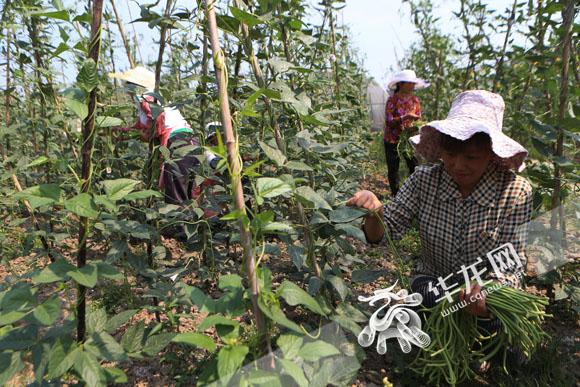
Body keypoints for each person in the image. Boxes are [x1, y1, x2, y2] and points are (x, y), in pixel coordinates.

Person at [348, 90, 532, 328]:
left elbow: (511, 261)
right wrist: (376, 212)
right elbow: (383, 235)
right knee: (428, 297)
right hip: (434, 282)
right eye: (451, 154)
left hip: (485, 288)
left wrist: (486, 293)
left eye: (472, 157)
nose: (458, 165)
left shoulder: (514, 192)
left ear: (492, 154)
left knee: (497, 322)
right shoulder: (425, 180)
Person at [110, 67, 200, 206]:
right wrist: (120, 132)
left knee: (177, 198)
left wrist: (149, 134)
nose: (126, 90)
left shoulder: (147, 98)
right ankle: (191, 225)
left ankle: (179, 226)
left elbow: (158, 121)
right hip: (187, 143)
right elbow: (139, 128)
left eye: (128, 85)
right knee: (188, 195)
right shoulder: (147, 102)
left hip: (179, 144)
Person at [383, 69, 428, 196]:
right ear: (401, 84)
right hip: (392, 139)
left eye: (414, 83)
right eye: (410, 83)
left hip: (409, 139)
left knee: (414, 165)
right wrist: (405, 117)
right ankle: (396, 196)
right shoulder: (393, 100)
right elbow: (389, 121)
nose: (413, 85)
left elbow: (418, 117)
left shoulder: (415, 100)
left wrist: (414, 126)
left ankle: (415, 193)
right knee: (393, 169)